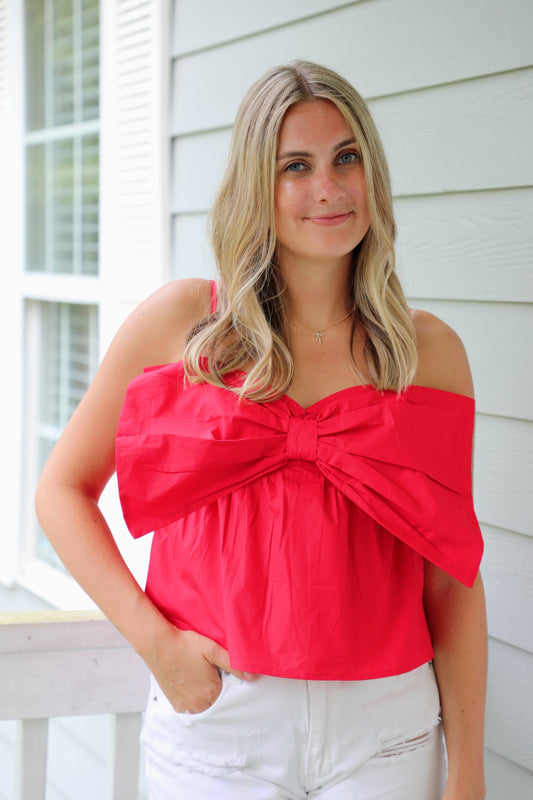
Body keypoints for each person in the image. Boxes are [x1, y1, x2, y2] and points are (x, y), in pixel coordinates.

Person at [35, 60, 487, 799]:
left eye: (347, 157)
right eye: (294, 166)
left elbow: (452, 574)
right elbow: (62, 490)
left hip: (388, 728)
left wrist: (466, 771)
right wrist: (158, 646)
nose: (329, 188)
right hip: (218, 719)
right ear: (256, 185)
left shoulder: (425, 353)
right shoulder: (181, 327)